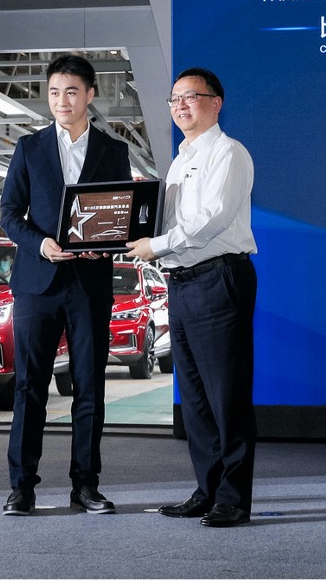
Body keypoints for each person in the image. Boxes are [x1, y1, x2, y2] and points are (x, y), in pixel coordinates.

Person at [0, 54, 131, 517]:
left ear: (90, 95)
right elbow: (9, 215)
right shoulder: (29, 148)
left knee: (89, 387)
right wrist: (41, 244)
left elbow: (120, 216)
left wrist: (105, 246)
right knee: (29, 387)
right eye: (54, 92)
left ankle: (86, 485)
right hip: (37, 283)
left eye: (71, 91)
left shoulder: (113, 151)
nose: (61, 101)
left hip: (89, 284)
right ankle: (22, 487)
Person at [126, 67, 257, 528]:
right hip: (182, 283)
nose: (180, 105)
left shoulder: (228, 152)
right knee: (196, 397)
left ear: (215, 103)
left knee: (226, 394)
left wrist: (157, 245)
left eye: (191, 97)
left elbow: (213, 219)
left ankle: (233, 499)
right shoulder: (180, 159)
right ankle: (208, 489)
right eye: (174, 99)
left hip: (218, 279)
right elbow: (168, 222)